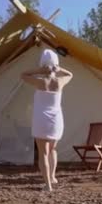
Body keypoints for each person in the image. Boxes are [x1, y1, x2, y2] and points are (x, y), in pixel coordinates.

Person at [21, 49, 73, 191]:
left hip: (41, 119)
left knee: (43, 153)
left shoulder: (40, 81)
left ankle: (48, 185)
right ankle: (52, 177)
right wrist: (58, 68)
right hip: (56, 120)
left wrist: (40, 69)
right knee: (53, 150)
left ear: (43, 65)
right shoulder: (60, 81)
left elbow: (23, 75)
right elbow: (70, 74)